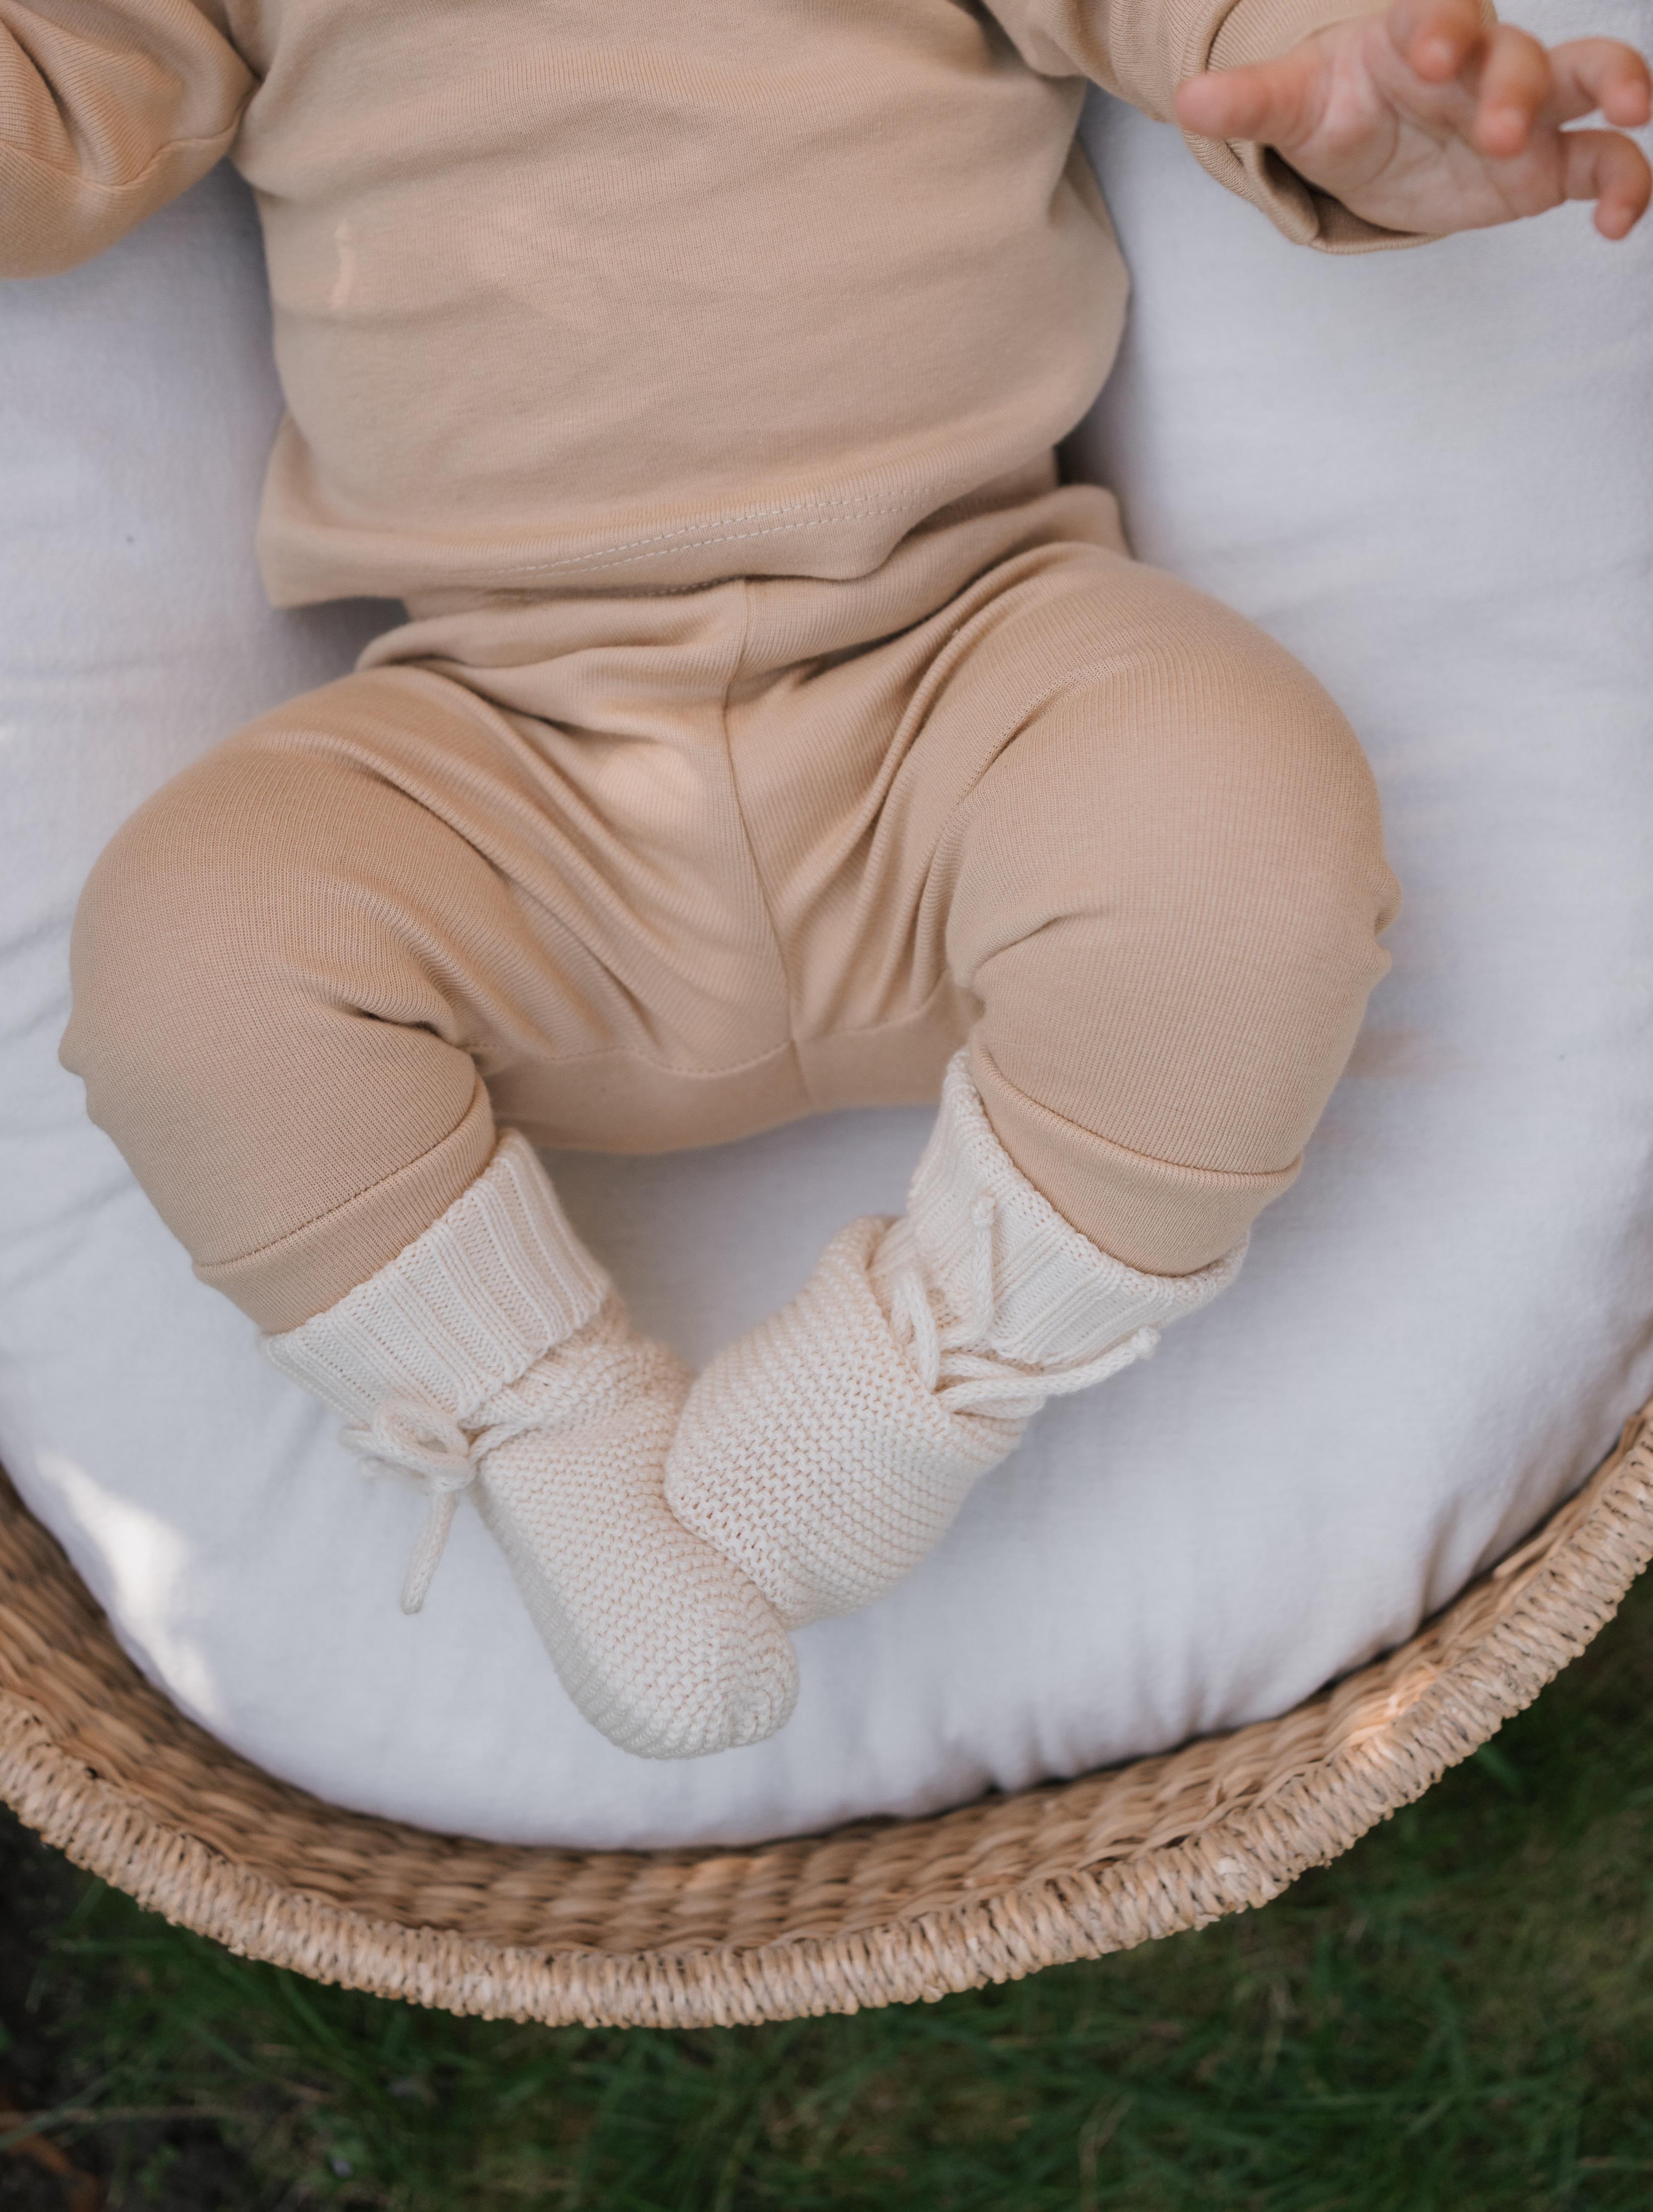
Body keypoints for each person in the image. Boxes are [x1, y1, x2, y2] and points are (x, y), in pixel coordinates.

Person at [7, 0, 1647, 1758]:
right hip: (501, 760)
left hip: (968, 660)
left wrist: (1351, 89)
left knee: (1241, 833)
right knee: (193, 956)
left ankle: (925, 1367)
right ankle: (549, 1426)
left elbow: (1207, 23)